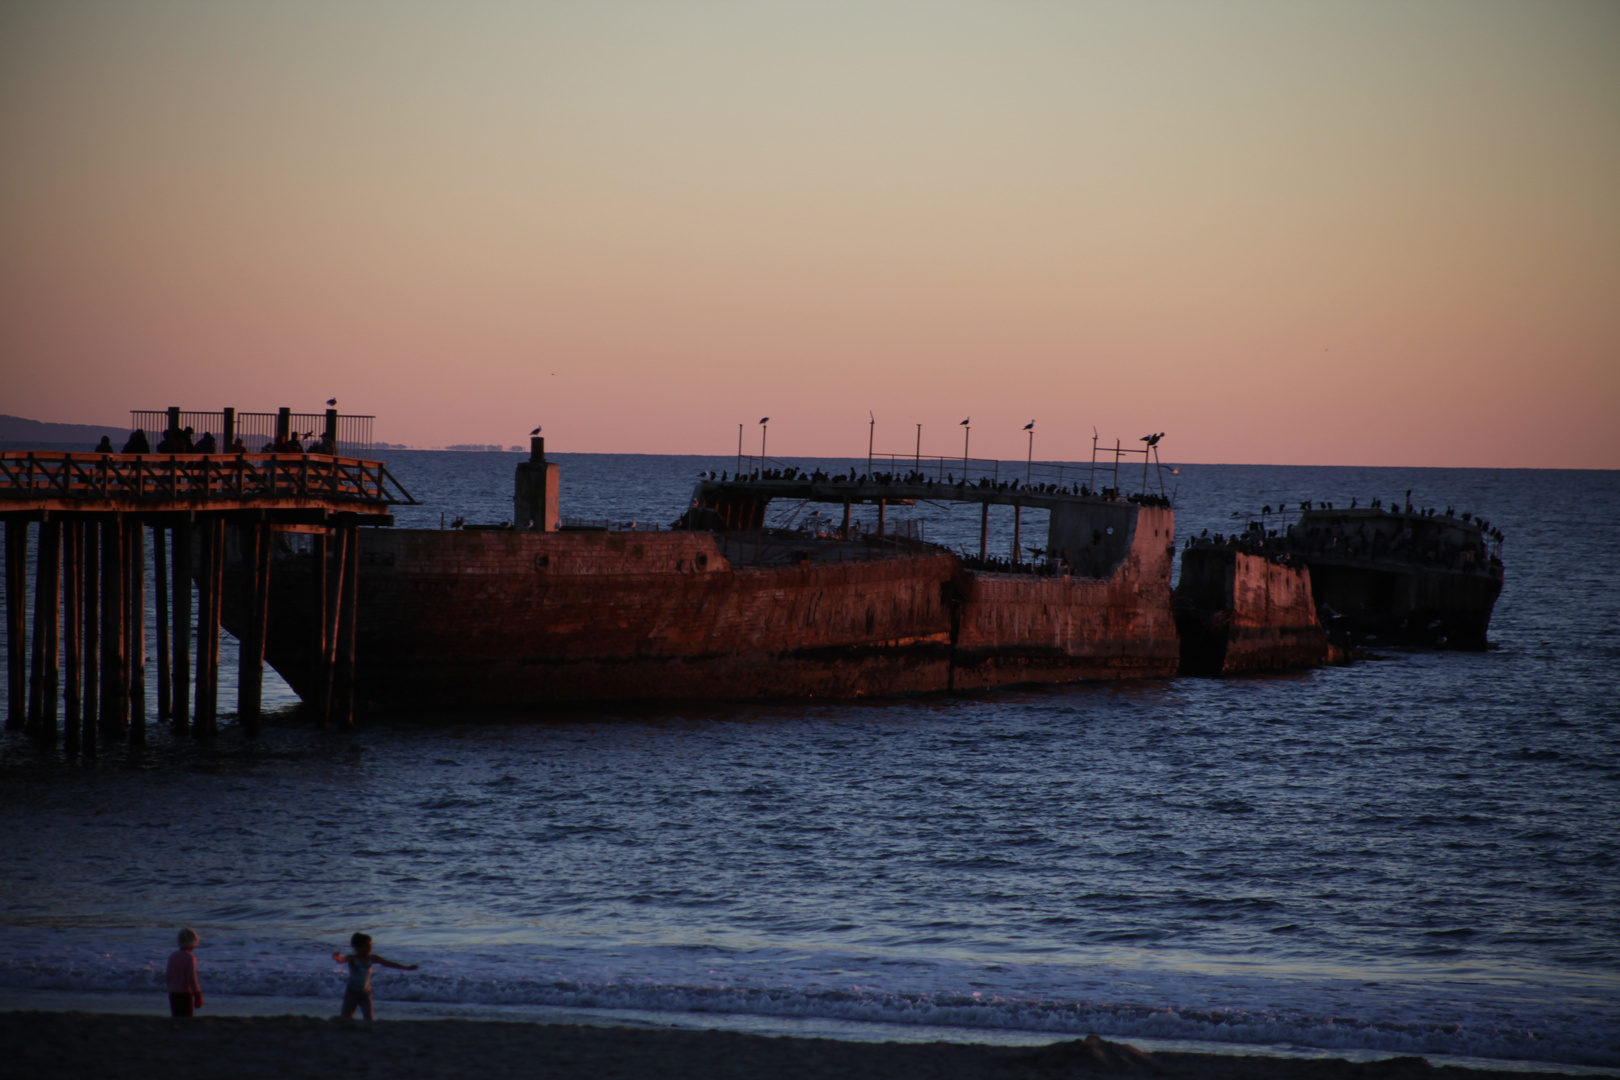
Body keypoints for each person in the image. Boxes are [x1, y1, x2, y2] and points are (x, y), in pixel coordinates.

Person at [333, 932, 418, 1021]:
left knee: (369, 1018)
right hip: (352, 992)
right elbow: (343, 959)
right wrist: (337, 957)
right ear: (357, 947)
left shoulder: (372, 958)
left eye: (370, 945)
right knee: (345, 1018)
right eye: (366, 946)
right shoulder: (353, 958)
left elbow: (388, 963)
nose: (370, 948)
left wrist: (406, 968)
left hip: (365, 993)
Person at [166, 928, 204, 1017]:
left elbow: (168, 975)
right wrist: (197, 993)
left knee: (176, 1016)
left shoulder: (172, 956)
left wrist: (170, 987)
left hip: (173, 993)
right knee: (187, 1017)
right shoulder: (190, 957)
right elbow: (192, 977)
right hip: (185, 993)